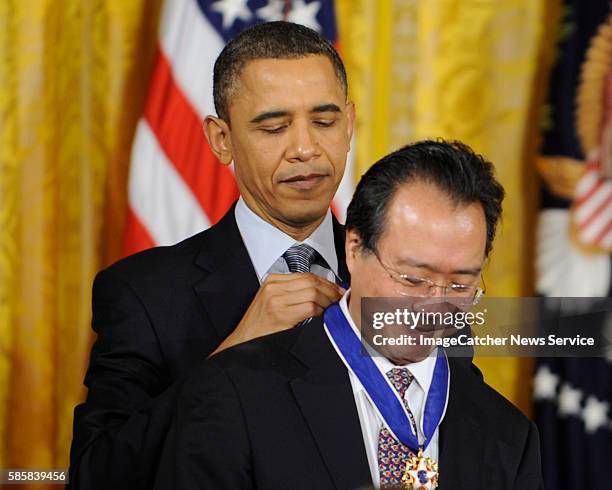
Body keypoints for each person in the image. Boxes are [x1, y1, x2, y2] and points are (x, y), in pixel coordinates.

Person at [68, 21, 354, 490]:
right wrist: (231, 355)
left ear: (349, 124)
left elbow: (468, 442)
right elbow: (95, 476)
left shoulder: (403, 278)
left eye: (324, 122)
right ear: (221, 140)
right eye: (274, 126)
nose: (305, 148)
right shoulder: (145, 293)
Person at [162, 140, 544, 490]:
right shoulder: (234, 393)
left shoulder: (508, 435)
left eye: (460, 286)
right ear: (354, 247)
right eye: (412, 279)